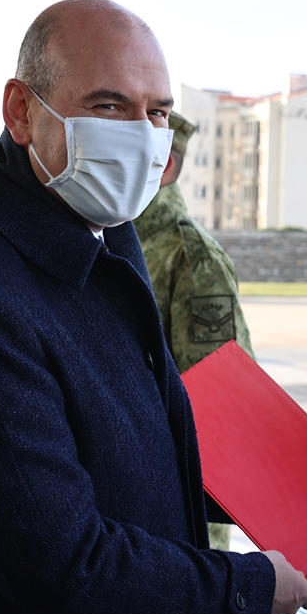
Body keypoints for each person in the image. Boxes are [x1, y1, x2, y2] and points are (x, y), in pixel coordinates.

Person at [0, 0, 307, 614]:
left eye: (157, 112)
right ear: (22, 111)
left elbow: (116, 455)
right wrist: (246, 591)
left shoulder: (95, 236)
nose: (140, 136)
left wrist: (278, 483)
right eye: (108, 106)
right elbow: (62, 562)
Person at [133, 110, 255, 550]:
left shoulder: (191, 257)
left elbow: (222, 402)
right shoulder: (108, 238)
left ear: (164, 164)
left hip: (177, 531)